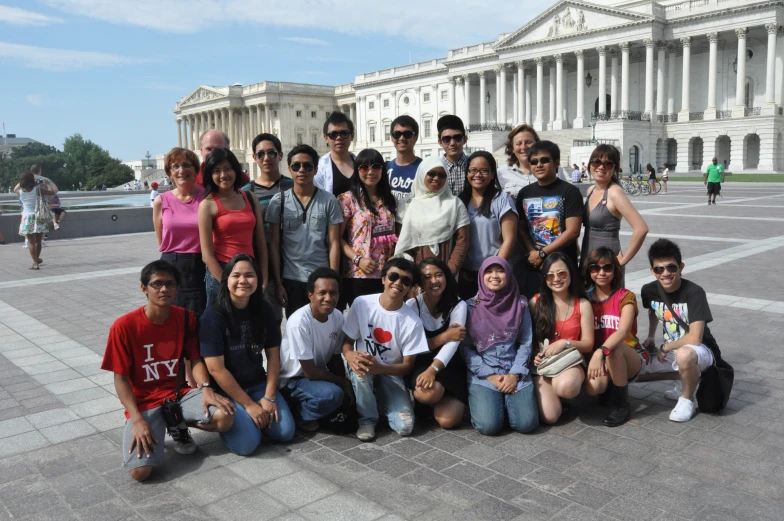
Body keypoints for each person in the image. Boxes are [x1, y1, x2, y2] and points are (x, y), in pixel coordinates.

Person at [100, 261, 234, 481]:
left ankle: (175, 424)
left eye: (170, 284)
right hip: (144, 402)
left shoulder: (185, 318)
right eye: (157, 284)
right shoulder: (124, 326)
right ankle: (158, 425)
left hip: (177, 395)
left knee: (225, 417)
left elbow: (195, 359)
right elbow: (121, 380)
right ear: (144, 288)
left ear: (178, 288)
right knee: (140, 473)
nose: (164, 289)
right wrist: (137, 420)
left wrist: (206, 388)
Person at [201, 255, 295, 455]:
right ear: (226, 280)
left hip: (257, 383)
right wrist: (249, 405)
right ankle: (240, 423)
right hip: (226, 389)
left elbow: (273, 357)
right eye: (236, 275)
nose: (243, 281)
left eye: (249, 275)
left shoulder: (265, 310)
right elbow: (216, 369)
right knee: (247, 445)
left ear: (258, 280)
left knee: (285, 432)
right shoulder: (213, 315)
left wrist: (269, 397)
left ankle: (255, 422)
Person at [342, 257, 430, 441]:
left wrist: (380, 369)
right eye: (393, 276)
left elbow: (407, 366)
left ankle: (379, 400)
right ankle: (367, 419)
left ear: (410, 288)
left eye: (405, 281)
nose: (398, 283)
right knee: (361, 368)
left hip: (391, 373)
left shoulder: (412, 321)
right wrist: (349, 355)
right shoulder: (362, 303)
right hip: (364, 366)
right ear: (383, 278)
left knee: (405, 427)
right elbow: (347, 342)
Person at [641, 239, 722, 422]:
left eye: (671, 267)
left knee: (684, 355)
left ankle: (687, 399)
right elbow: (653, 310)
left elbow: (695, 338)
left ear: (681, 267)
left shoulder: (694, 292)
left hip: (701, 349)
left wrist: (665, 348)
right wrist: (651, 336)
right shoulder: (649, 290)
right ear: (652, 271)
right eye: (659, 269)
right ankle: (686, 380)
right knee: (640, 364)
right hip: (671, 348)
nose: (666, 273)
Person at [460, 257, 539, 436]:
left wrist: (514, 374)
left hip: (515, 370)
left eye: (500, 270)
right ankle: (493, 402)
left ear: (509, 274)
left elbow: (526, 341)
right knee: (489, 426)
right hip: (483, 374)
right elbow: (465, 348)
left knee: (527, 424)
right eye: (489, 271)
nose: (494, 276)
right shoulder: (470, 307)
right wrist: (490, 375)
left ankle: (505, 402)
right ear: (481, 275)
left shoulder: (520, 304)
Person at [266, 144, 343, 318]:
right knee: (296, 328)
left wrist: (334, 280)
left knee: (323, 329)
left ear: (316, 170)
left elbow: (334, 242)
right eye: (296, 166)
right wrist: (278, 283)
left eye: (307, 166)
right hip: (291, 278)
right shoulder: (278, 202)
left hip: (321, 278)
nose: (302, 170)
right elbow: (275, 246)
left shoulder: (329, 200)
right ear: (289, 169)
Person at [584, 247, 656, 427]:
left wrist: (600, 352)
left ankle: (622, 406)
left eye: (607, 268)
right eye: (595, 268)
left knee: (613, 350)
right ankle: (609, 388)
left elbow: (623, 332)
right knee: (594, 388)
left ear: (615, 270)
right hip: (600, 357)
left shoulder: (625, 297)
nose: (601, 273)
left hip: (629, 356)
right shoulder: (585, 299)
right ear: (589, 270)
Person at [278, 268, 350, 431]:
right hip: (294, 380)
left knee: (342, 395)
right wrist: (343, 383)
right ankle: (299, 412)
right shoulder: (299, 321)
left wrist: (346, 387)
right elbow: (309, 371)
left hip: (315, 375)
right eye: (322, 293)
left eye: (334, 293)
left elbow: (335, 356)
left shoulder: (337, 316)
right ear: (310, 294)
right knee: (332, 395)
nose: (328, 298)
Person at [198, 148, 268, 308]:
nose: (223, 175)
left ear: (236, 170)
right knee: (222, 327)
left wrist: (263, 277)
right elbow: (207, 256)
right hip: (222, 273)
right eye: (217, 170)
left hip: (249, 271)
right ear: (210, 174)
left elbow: (261, 243)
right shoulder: (207, 205)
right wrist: (228, 283)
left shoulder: (250, 198)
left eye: (228, 168)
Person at [530, 252, 594, 424]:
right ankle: (557, 403)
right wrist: (534, 354)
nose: (556, 279)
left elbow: (588, 344)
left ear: (571, 274)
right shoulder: (536, 303)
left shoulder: (583, 304)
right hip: (543, 366)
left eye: (562, 273)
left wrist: (564, 343)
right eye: (550, 275)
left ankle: (564, 397)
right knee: (550, 417)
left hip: (570, 362)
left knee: (565, 387)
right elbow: (526, 339)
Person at [516, 140, 584, 298]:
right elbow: (521, 228)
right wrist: (533, 253)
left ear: (557, 162)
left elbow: (573, 231)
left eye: (544, 160)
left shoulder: (570, 192)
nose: (538, 165)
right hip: (534, 267)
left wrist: (542, 253)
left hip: (563, 265)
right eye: (534, 162)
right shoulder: (524, 193)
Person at [406, 258, 467, 429]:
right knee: (428, 394)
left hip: (449, 365)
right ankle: (426, 401)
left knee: (448, 421)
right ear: (420, 282)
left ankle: (445, 397)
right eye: (427, 277)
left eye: (439, 275)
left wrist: (433, 370)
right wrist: (444, 336)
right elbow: (412, 347)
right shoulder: (412, 306)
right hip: (421, 363)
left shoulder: (458, 304)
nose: (434, 281)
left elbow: (453, 344)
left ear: (446, 277)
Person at [242, 133, 294, 322]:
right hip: (265, 266)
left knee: (299, 322)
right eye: (261, 154)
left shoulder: (294, 185)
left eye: (271, 153)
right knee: (269, 324)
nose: (266, 158)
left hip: (293, 263)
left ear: (280, 155)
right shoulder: (247, 192)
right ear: (254, 158)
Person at [580, 145, 648, 285]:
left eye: (608, 164)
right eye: (596, 162)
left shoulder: (615, 192)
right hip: (588, 253)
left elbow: (641, 228)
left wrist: (623, 261)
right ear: (590, 165)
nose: (601, 167)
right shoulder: (591, 190)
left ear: (615, 168)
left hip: (606, 259)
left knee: (608, 303)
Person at [338, 148, 397, 307]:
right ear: (357, 171)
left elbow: (397, 234)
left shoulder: (391, 201)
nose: (370, 172)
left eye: (376, 167)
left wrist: (395, 256)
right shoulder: (347, 199)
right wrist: (358, 259)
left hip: (386, 274)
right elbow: (337, 238)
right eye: (364, 167)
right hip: (360, 274)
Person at [457, 151, 519, 299]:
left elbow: (509, 240)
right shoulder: (460, 201)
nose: (477, 175)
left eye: (484, 171)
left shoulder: (502, 199)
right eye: (473, 170)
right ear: (467, 173)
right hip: (466, 275)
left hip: (494, 275)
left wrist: (493, 271)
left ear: (492, 174)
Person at [395, 156, 470, 278]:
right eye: (431, 173)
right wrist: (411, 274)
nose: (436, 178)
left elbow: (463, 241)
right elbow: (401, 240)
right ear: (421, 174)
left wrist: (448, 274)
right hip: (414, 273)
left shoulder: (454, 204)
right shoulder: (407, 204)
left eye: (442, 175)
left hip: (446, 271)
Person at [153, 147, 207, 316]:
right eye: (175, 167)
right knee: (172, 317)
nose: (181, 171)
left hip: (202, 263)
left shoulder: (207, 197)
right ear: (169, 173)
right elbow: (161, 239)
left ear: (195, 170)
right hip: (172, 263)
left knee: (200, 318)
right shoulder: (161, 201)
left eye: (187, 165)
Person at [14, 172, 55, 270]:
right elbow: (52, 192)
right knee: (38, 241)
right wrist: (47, 184)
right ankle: (36, 260)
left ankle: (36, 263)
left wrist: (24, 181)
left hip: (27, 217)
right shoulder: (38, 189)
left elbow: (15, 188)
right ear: (32, 180)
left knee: (31, 242)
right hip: (38, 216)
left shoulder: (20, 192)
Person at [386, 115, 422, 222]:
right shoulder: (385, 168)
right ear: (392, 138)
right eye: (397, 134)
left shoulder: (424, 168)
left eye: (407, 134)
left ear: (415, 137)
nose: (401, 138)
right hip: (389, 231)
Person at [314, 112, 356, 197]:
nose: (339, 138)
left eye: (344, 133)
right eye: (333, 135)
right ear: (326, 138)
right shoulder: (319, 167)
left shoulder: (360, 163)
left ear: (352, 135)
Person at [437, 115, 469, 195]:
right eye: (446, 139)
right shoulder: (436, 168)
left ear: (465, 139)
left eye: (457, 138)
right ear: (440, 142)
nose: (452, 143)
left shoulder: (474, 165)